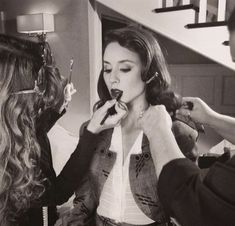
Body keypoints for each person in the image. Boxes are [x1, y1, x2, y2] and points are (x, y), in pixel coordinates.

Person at [58, 26, 200, 226]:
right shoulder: (93, 129)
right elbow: (84, 200)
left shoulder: (175, 133)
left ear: (149, 73)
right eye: (107, 68)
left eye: (124, 68)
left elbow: (187, 209)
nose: (112, 78)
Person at [0, 34, 121, 226]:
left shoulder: (11, 132)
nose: (39, 96)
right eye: (35, 88)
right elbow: (56, 193)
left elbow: (33, 131)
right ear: (9, 97)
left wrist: (58, 108)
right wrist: (90, 134)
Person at [137, 8, 235, 226]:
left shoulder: (180, 134)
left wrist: (160, 133)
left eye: (126, 68)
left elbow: (194, 204)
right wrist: (213, 118)